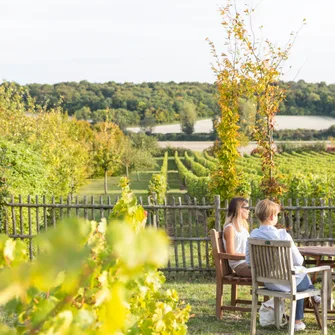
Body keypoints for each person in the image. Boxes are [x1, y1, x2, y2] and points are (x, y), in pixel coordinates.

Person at [245, 199, 320, 332]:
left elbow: (249, 262)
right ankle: (298, 321)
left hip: (267, 283)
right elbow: (298, 261)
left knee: (299, 277)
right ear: (272, 216)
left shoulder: (253, 235)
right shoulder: (283, 235)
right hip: (288, 283)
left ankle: (308, 299)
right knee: (301, 277)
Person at [222, 197, 251, 278]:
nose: (249, 211)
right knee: (266, 272)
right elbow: (231, 253)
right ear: (239, 209)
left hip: (248, 262)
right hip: (240, 266)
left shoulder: (243, 228)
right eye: (247, 208)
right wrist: (249, 256)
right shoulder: (230, 228)